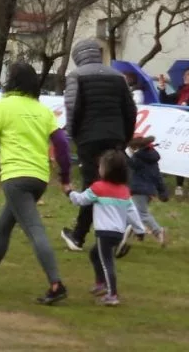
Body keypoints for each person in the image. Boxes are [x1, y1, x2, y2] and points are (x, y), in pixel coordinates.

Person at [0, 62, 72, 305]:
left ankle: (56, 284)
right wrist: (65, 177)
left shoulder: (3, 106)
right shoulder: (43, 111)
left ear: (11, 81)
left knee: (35, 230)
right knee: (3, 227)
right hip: (39, 178)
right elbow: (62, 145)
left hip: (15, 178)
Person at [61, 38, 137, 253]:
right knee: (114, 183)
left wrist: (73, 135)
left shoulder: (76, 76)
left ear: (78, 57)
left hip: (89, 138)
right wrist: (125, 137)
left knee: (92, 186)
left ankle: (78, 236)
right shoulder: (118, 77)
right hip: (116, 137)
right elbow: (131, 110)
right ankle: (121, 226)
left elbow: (72, 107)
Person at [66, 150, 144, 307]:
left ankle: (112, 294)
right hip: (118, 232)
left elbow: (80, 200)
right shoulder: (124, 190)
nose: (99, 169)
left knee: (106, 262)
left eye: (101, 166)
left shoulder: (98, 188)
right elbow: (132, 212)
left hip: (104, 233)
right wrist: (139, 230)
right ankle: (101, 284)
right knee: (95, 254)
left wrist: (69, 192)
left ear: (106, 170)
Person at [127, 136, 169, 247]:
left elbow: (128, 165)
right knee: (134, 211)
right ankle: (137, 232)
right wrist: (162, 191)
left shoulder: (137, 158)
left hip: (138, 189)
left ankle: (158, 231)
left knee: (141, 213)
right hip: (149, 191)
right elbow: (157, 176)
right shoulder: (152, 160)